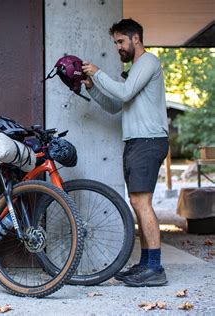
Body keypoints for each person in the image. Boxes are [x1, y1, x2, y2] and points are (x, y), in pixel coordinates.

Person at [81, 18, 169, 287]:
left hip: (148, 141)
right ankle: (146, 264)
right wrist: (92, 88)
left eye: (121, 41)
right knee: (137, 202)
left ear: (136, 39)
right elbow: (114, 106)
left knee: (142, 203)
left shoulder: (149, 62)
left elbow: (125, 92)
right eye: (116, 42)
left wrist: (97, 73)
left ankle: (155, 268)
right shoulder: (134, 70)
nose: (118, 46)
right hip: (136, 142)